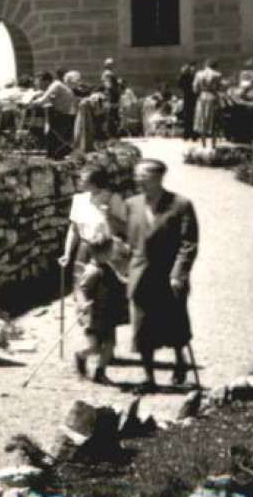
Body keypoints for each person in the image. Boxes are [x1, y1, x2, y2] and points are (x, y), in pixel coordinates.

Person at [125, 159, 199, 391]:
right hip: (140, 274)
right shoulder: (131, 204)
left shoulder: (180, 205)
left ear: (158, 177)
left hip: (169, 275)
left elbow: (189, 243)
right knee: (142, 326)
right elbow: (126, 240)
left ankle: (180, 361)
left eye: (143, 175)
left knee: (174, 323)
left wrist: (179, 273)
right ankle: (149, 378)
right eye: (136, 175)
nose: (138, 179)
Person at [59, 164, 129, 384]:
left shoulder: (113, 199)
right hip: (85, 251)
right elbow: (73, 229)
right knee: (85, 301)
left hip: (109, 252)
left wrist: (110, 218)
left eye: (84, 178)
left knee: (109, 304)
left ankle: (101, 363)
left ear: (96, 181)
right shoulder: (79, 200)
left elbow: (125, 228)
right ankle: (90, 349)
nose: (79, 180)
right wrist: (66, 254)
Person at [37, 71, 78, 159]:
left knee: (51, 133)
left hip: (62, 116)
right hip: (68, 115)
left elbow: (43, 100)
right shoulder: (61, 87)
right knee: (52, 134)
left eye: (39, 82)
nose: (38, 84)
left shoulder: (56, 85)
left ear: (46, 81)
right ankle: (53, 155)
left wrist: (29, 103)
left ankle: (53, 155)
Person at [192, 59, 225, 149]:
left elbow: (195, 89)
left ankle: (203, 145)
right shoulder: (217, 75)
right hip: (213, 98)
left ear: (205, 65)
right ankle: (213, 146)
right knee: (214, 122)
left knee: (203, 121)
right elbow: (221, 88)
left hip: (202, 98)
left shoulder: (199, 74)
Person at [176, 62, 198, 142]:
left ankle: (194, 134)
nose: (193, 69)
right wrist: (182, 73)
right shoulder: (185, 77)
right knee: (187, 116)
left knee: (194, 116)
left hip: (195, 98)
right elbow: (179, 84)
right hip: (187, 98)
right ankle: (187, 134)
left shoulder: (196, 76)